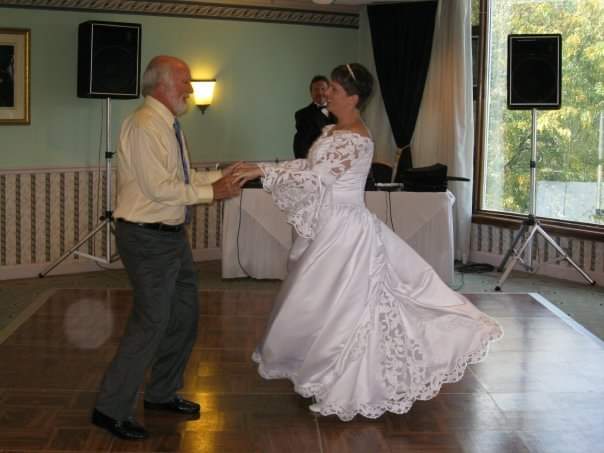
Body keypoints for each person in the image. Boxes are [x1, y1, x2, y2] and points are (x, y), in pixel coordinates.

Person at [233, 63, 503, 421]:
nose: (326, 93)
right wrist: (262, 166)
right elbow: (308, 166)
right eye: (327, 87)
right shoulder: (333, 130)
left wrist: (263, 172)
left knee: (347, 307)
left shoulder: (355, 138)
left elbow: (317, 179)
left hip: (345, 231)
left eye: (333, 89)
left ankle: (347, 382)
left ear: (353, 97)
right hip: (329, 228)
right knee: (321, 303)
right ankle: (317, 371)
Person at [92, 55, 241, 440]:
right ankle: (109, 409)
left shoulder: (167, 124)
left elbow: (180, 179)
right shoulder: (144, 125)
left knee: (183, 316)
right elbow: (159, 188)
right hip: (146, 237)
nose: (190, 88)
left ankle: (160, 393)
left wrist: (222, 176)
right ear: (161, 85)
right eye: (185, 81)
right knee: (152, 321)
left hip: (170, 236)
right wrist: (212, 192)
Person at [293, 75, 336, 159]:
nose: (320, 93)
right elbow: (300, 145)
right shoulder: (302, 114)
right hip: (317, 161)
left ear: (329, 91)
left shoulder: (340, 111)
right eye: (316, 89)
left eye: (323, 89)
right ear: (311, 93)